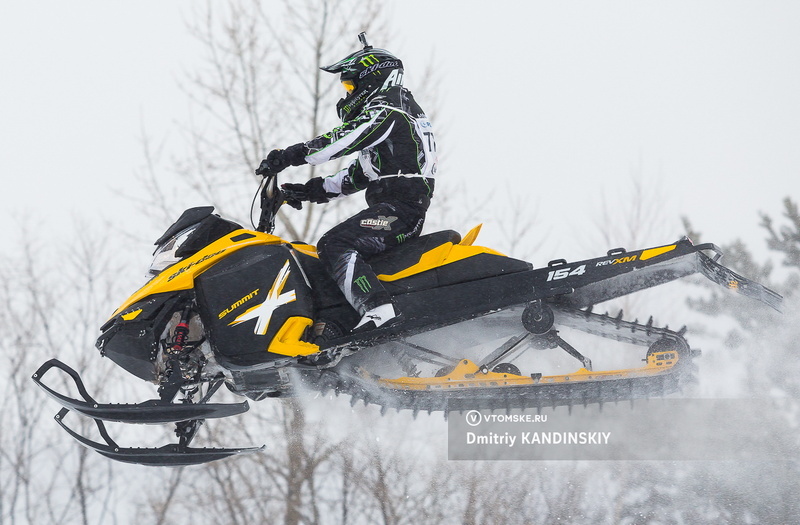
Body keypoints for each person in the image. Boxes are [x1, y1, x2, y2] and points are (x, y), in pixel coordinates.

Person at [255, 33, 437, 332]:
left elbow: (344, 139)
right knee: (316, 255)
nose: (347, 93)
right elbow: (359, 174)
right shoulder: (398, 114)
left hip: (401, 211)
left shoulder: (389, 109)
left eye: (350, 85)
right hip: (397, 208)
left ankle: (379, 311)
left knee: (335, 243)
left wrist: (290, 155)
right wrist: (310, 190)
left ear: (371, 80)